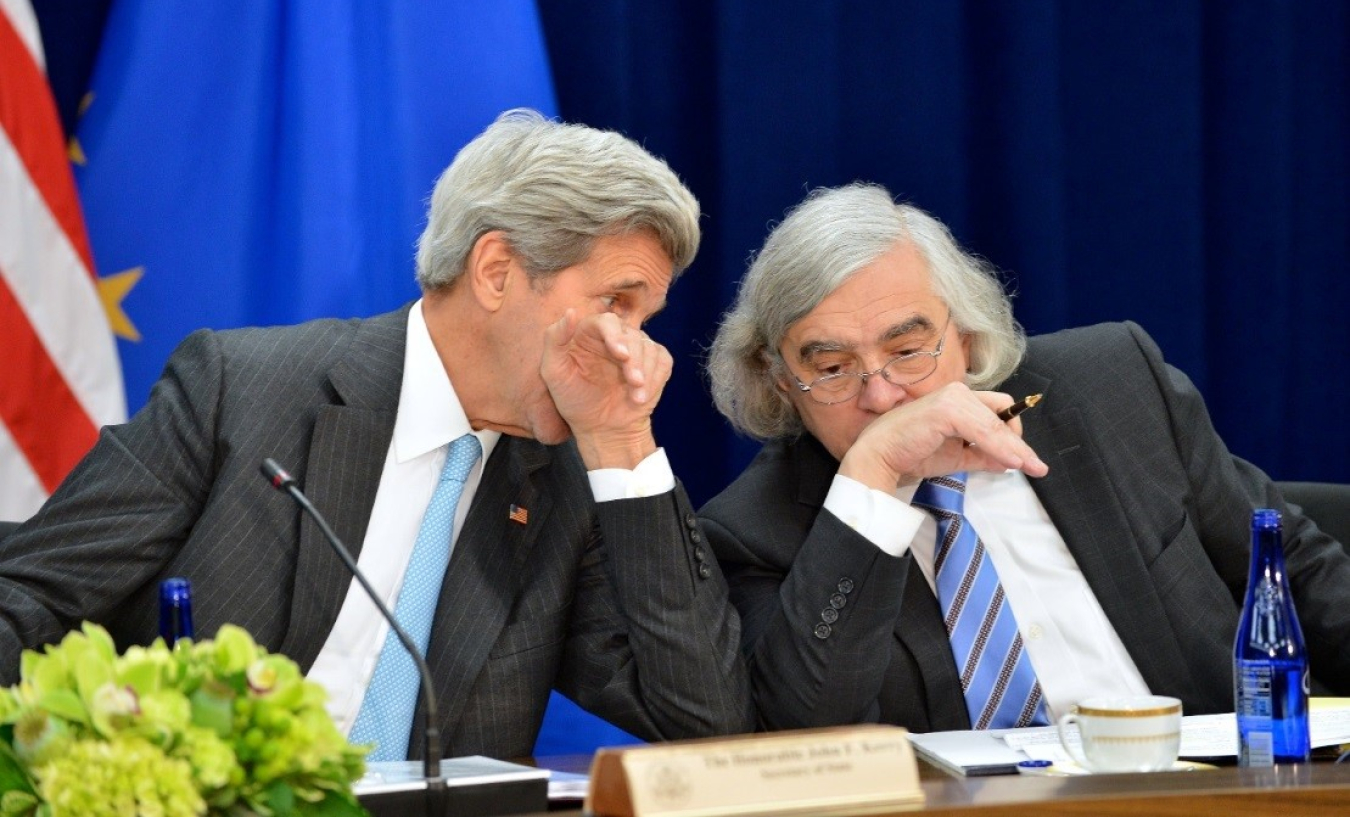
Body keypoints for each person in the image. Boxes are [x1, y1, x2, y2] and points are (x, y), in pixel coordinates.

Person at [0, 109, 752, 758]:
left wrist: (623, 443)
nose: (635, 352)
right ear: (495, 270)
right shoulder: (240, 389)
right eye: (615, 304)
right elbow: (22, 599)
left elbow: (702, 718)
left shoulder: (573, 480)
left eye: (644, 319)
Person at [700, 182, 1350, 733]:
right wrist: (875, 476)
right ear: (782, 379)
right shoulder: (753, 532)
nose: (882, 394)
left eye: (906, 349)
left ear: (966, 329)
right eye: (835, 367)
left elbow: (1295, 571)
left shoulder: (1111, 387)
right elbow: (805, 735)